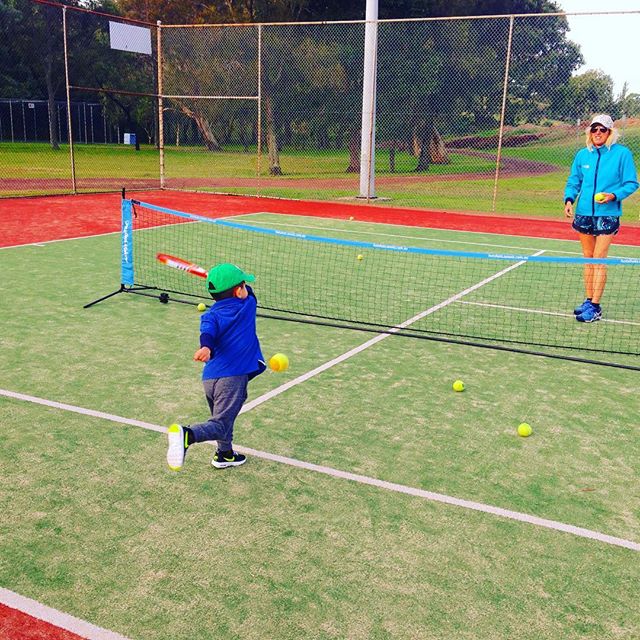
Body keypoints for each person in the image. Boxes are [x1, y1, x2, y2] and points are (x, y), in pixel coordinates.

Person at [166, 263, 265, 471]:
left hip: (210, 378)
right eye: (244, 285)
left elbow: (208, 334)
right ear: (239, 291)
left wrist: (206, 348)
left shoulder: (210, 315)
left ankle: (225, 454)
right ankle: (187, 434)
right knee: (220, 425)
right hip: (232, 377)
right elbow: (251, 294)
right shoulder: (247, 305)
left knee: (223, 419)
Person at [564, 114, 638, 322]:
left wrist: (614, 196)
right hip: (584, 213)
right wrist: (569, 199)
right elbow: (574, 181)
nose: (597, 133)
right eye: (594, 129)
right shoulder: (582, 155)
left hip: (608, 214)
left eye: (602, 130)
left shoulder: (622, 154)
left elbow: (631, 183)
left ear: (610, 132)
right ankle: (588, 300)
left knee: (599, 258)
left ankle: (595, 306)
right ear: (589, 132)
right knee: (588, 258)